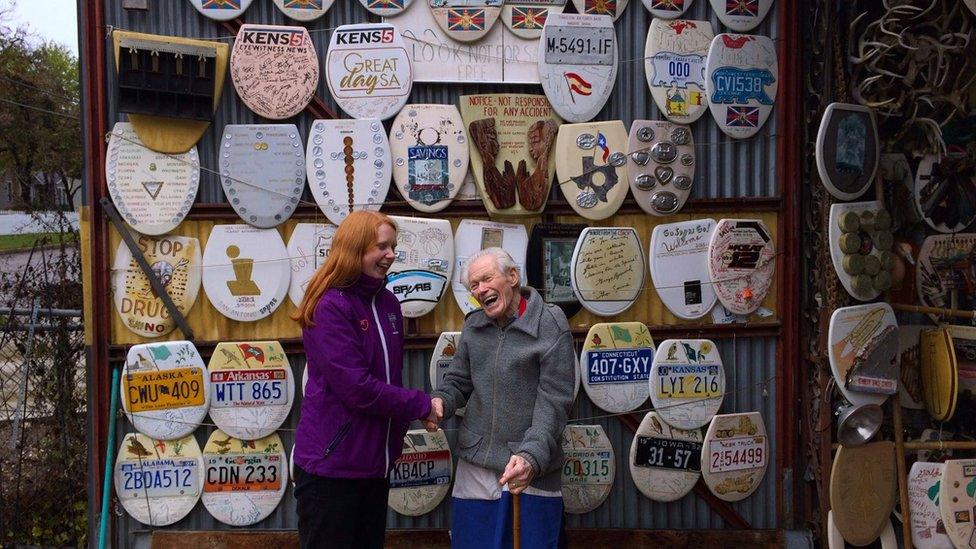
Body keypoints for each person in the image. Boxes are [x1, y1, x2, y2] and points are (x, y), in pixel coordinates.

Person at [291, 210, 440, 549]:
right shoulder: (329, 306)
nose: (391, 255)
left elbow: (390, 375)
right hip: (332, 471)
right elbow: (357, 389)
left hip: (373, 467)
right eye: (381, 247)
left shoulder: (388, 303)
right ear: (355, 249)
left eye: (393, 247)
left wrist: (395, 434)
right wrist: (419, 404)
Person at [429, 247, 576, 548]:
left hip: (528, 468)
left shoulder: (550, 324)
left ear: (513, 277)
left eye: (486, 279)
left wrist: (531, 457)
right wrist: (442, 401)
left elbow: (554, 402)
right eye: (473, 285)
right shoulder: (474, 325)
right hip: (477, 468)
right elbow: (458, 381)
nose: (480, 290)